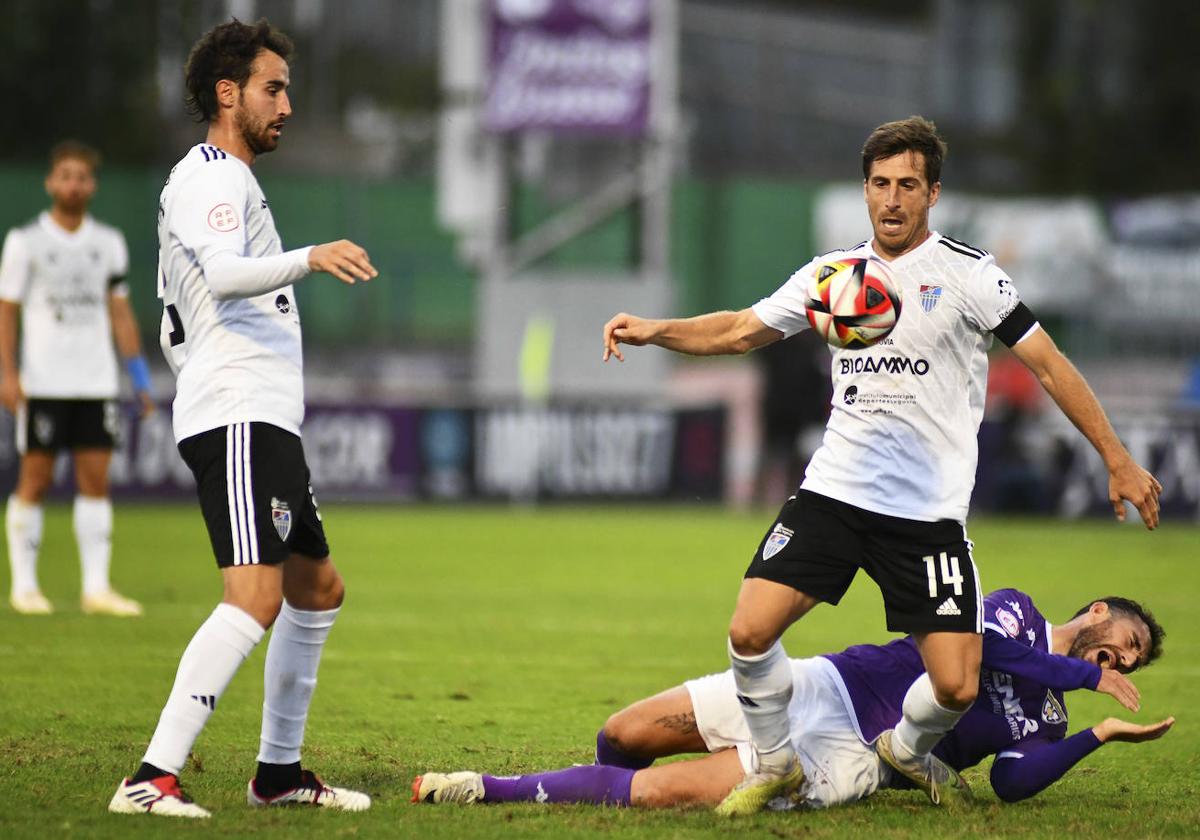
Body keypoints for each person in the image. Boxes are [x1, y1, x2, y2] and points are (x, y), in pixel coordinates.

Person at [600, 116, 1163, 814]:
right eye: (878, 184)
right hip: (834, 495)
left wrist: (1117, 458)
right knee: (749, 630)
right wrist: (657, 330)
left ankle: (904, 747)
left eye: (906, 185)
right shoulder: (835, 278)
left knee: (955, 686)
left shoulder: (968, 276)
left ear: (932, 194)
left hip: (926, 521)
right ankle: (773, 763)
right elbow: (743, 328)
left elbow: (1047, 366)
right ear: (865, 190)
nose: (891, 199)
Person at [107, 19, 378, 819]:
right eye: (273, 87)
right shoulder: (212, 173)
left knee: (317, 590)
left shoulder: (231, 178)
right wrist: (310, 255)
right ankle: (149, 777)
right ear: (228, 94)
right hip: (235, 414)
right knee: (255, 596)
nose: (286, 104)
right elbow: (223, 276)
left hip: (262, 417)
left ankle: (279, 774)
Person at [413, 590, 1172, 809]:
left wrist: (1094, 733)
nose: (1125, 657)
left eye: (1134, 660)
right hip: (825, 680)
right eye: (1128, 640)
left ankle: (479, 790)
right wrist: (1080, 675)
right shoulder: (1016, 613)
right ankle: (586, 788)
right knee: (623, 733)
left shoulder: (1050, 717)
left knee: (652, 792)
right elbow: (985, 651)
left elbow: (1010, 783)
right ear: (1100, 613)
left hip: (844, 752)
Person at [0, 140, 154, 617]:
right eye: (65, 175)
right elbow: (7, 310)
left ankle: (96, 589)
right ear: (50, 182)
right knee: (37, 477)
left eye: (82, 176)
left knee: (95, 480)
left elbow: (120, 312)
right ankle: (24, 586)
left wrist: (139, 375)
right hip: (44, 380)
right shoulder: (25, 242)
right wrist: (6, 372)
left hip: (97, 380)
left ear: (93, 185)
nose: (73, 184)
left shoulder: (107, 243)